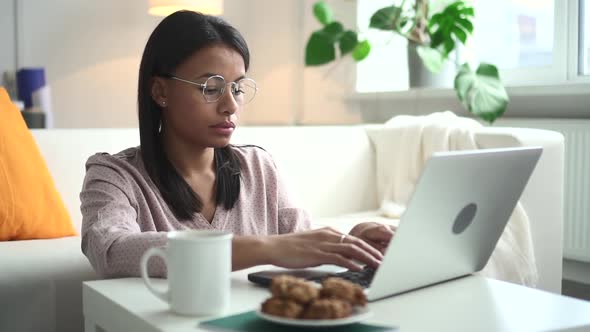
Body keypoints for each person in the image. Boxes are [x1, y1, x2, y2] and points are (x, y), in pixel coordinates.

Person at [80, 10, 395, 278]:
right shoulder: (114, 175)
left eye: (238, 88)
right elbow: (110, 250)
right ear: (161, 91)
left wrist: (350, 242)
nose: (230, 105)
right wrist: (264, 246)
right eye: (210, 88)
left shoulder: (258, 167)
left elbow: (298, 240)